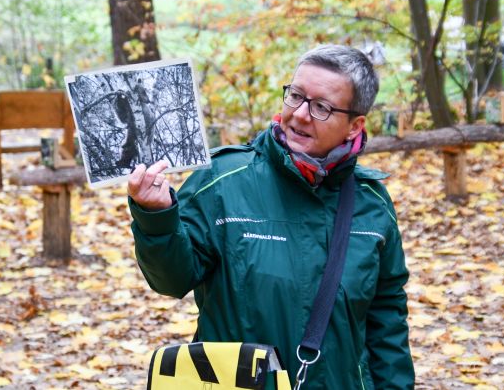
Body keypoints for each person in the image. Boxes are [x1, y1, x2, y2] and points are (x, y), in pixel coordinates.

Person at [128, 44, 414, 389]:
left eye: (321, 107)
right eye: (295, 96)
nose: (301, 114)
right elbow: (170, 281)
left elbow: (387, 320)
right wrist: (156, 216)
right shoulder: (221, 181)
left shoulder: (372, 204)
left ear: (354, 126)